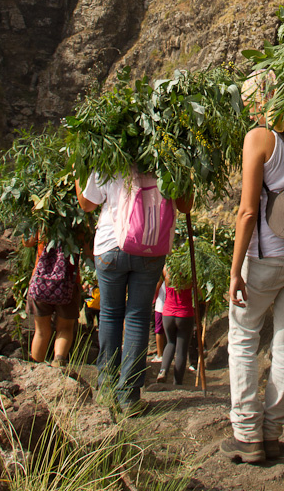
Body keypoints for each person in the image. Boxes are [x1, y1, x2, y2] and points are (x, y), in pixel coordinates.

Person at [220, 70, 284, 465]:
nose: (247, 109)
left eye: (248, 100)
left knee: (243, 336)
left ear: (262, 99)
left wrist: (234, 270)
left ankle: (246, 435)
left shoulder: (259, 138)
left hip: (264, 258)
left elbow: (247, 211)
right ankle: (272, 433)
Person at [75, 174, 191, 414]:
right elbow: (185, 205)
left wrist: (79, 172)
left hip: (110, 244)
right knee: (137, 317)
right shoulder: (167, 158)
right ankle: (129, 397)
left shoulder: (107, 156)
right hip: (150, 245)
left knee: (109, 315)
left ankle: (107, 389)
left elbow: (87, 204)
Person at [26, 236, 81, 368]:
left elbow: (27, 242)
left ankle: (35, 369)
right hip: (68, 284)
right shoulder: (79, 226)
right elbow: (88, 250)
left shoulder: (42, 224)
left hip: (41, 282)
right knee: (65, 328)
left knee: (41, 331)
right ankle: (58, 362)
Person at [156, 264, 195, 386]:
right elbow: (199, 291)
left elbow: (158, 285)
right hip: (185, 314)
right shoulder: (190, 273)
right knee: (181, 350)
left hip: (168, 314)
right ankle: (177, 382)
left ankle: (163, 370)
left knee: (170, 343)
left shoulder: (167, 270)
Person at [152, 275, 167, 362]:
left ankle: (160, 354)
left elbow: (158, 284)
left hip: (162, 305)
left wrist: (153, 296)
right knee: (160, 330)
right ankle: (161, 354)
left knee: (159, 330)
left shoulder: (163, 272)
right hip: (163, 303)